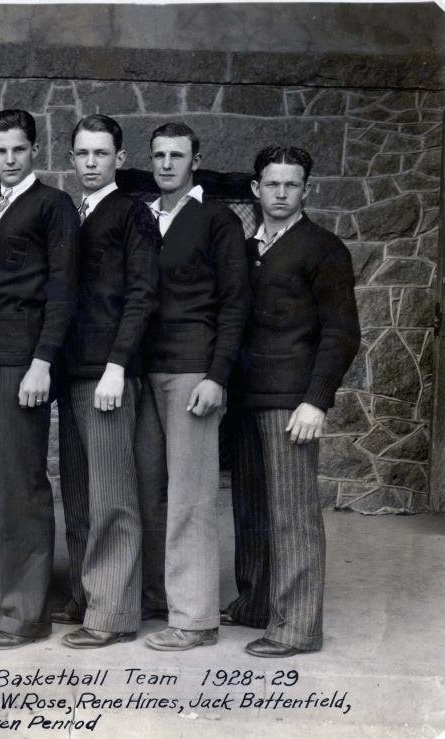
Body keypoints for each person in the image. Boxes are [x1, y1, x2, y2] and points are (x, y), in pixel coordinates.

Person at [224, 145, 360, 657]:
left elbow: (342, 332)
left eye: (292, 185)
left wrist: (316, 401)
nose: (281, 193)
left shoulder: (324, 248)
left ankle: (297, 627)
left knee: (292, 514)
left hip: (291, 402)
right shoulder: (245, 247)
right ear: (256, 189)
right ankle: (256, 604)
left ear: (306, 190)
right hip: (246, 398)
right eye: (272, 184)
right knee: (252, 510)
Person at [136, 122, 249, 651]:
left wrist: (216, 375)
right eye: (158, 155)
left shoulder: (216, 220)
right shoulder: (144, 218)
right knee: (151, 491)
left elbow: (234, 304)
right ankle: (161, 598)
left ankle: (197, 618)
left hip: (192, 373)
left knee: (191, 497)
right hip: (145, 372)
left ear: (195, 161)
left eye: (176, 155)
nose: (165, 165)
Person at [0, 109, 79, 650]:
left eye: (19, 149)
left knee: (22, 486)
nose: (10, 159)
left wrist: (43, 361)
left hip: (22, 363)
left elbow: (62, 289)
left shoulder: (53, 206)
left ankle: (25, 613)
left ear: (34, 149)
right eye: (0, 151)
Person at [56, 114, 159, 648]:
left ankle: (113, 613)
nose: (91, 163)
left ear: (119, 158)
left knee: (113, 495)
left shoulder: (131, 214)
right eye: (83, 154)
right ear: (71, 158)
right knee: (78, 491)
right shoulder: (76, 213)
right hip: (74, 371)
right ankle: (86, 594)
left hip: (107, 376)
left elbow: (142, 294)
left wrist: (118, 365)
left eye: (101, 154)